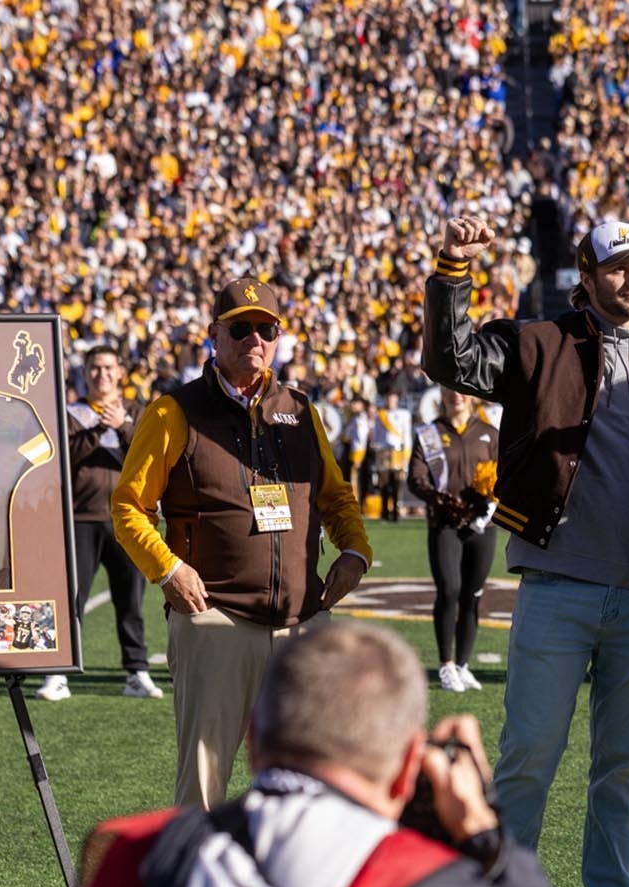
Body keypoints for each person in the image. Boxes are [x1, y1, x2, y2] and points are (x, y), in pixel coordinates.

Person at [423, 215, 629, 887]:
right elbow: (452, 361)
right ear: (586, 276)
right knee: (526, 759)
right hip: (558, 585)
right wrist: (453, 273)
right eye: (616, 265)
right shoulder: (538, 341)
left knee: (623, 768)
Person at [112, 278, 372, 810]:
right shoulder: (173, 411)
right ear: (214, 335)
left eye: (266, 328)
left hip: (301, 623)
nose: (254, 338)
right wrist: (167, 570)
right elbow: (128, 507)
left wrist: (355, 552)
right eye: (241, 328)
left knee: (312, 787)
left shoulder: (300, 410)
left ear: (279, 337)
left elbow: (337, 497)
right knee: (204, 790)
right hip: (216, 619)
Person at [83, 622, 555, 887]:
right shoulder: (438, 882)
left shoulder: (133, 852)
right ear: (410, 764)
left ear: (251, 738)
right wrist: (485, 833)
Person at [38, 344, 159, 702]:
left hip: (129, 520)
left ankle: (136, 672)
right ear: (85, 372)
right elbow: (59, 458)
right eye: (94, 368)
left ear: (121, 372)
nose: (101, 374)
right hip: (80, 518)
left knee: (131, 601)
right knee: (72, 599)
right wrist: (94, 429)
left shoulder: (137, 412)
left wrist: (121, 426)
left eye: (108, 368)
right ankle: (59, 672)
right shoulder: (70, 413)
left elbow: (148, 457)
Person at [407, 388, 500, 694]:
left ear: (472, 395)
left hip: (481, 526)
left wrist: (491, 502)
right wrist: (436, 498)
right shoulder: (429, 434)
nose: (455, 394)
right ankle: (446, 665)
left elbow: (504, 475)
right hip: (445, 523)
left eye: (460, 389)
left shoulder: (489, 432)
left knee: (472, 595)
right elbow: (416, 477)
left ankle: (463, 665)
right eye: (448, 389)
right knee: (449, 589)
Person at [371, 390, 414, 521]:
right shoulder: (380, 415)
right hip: (383, 451)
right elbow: (376, 434)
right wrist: (376, 446)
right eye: (389, 398)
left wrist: (407, 455)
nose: (391, 401)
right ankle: (384, 513)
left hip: (398, 451)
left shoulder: (404, 414)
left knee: (397, 483)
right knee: (383, 483)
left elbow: (407, 435)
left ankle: (395, 513)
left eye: (393, 398)